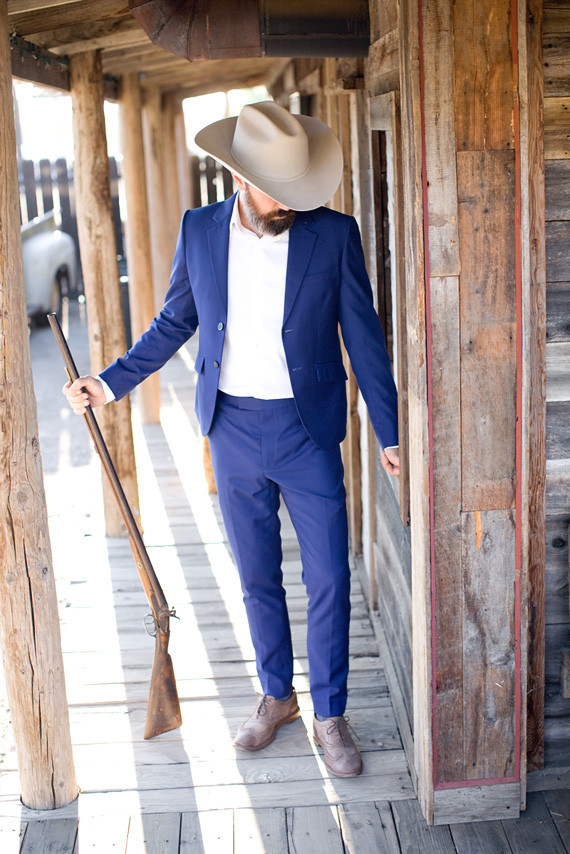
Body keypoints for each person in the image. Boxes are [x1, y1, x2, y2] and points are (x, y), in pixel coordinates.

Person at [63, 101, 399, 778]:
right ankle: (277, 698)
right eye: (279, 185)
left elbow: (364, 338)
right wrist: (109, 382)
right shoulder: (200, 230)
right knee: (255, 577)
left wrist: (390, 433)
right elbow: (172, 322)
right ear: (239, 177)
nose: (291, 200)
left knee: (330, 575)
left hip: (310, 433)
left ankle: (330, 713)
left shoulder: (334, 235)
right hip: (233, 429)